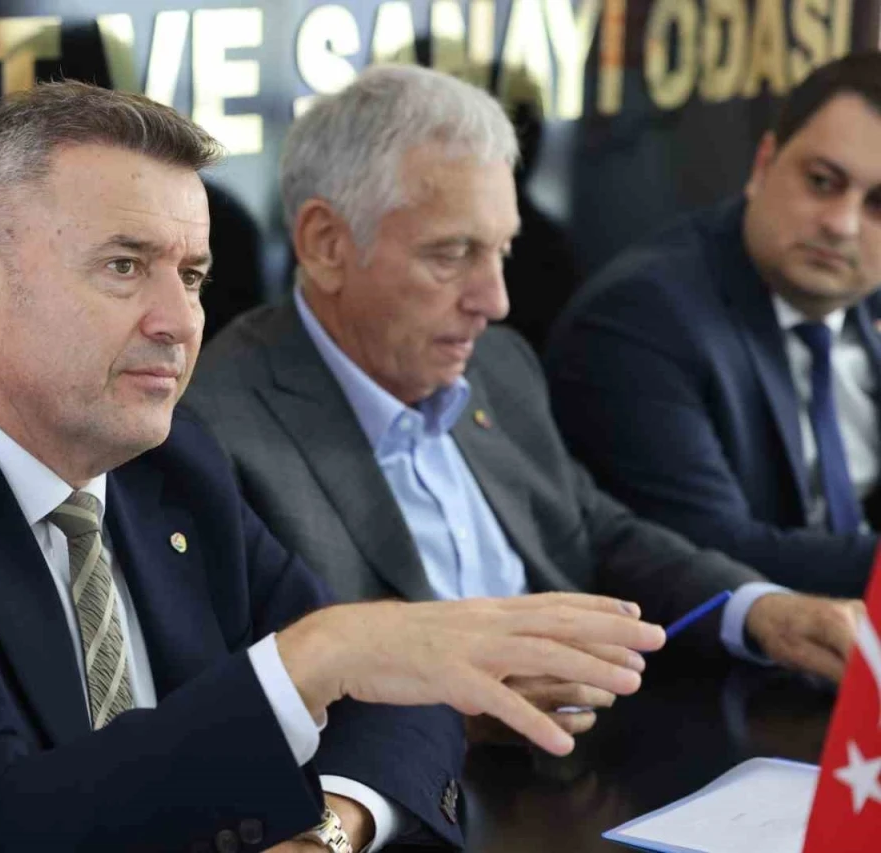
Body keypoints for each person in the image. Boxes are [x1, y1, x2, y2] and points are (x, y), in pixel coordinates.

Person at [0, 81, 663, 853]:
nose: (177, 322)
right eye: (125, 266)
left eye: (193, 275)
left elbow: (403, 699)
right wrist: (311, 658)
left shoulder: (173, 465)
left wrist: (331, 828)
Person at [182, 65, 862, 747]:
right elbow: (251, 701)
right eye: (453, 254)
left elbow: (596, 532)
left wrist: (758, 609)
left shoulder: (498, 364)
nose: (496, 301)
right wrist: (461, 709)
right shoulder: (217, 434)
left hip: (589, 757)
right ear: (326, 244)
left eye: (502, 252)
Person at [545, 52, 881, 598]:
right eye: (822, 181)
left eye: (879, 205)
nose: (841, 224)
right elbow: (715, 555)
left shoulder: (865, 297)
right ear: (763, 164)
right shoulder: (642, 318)